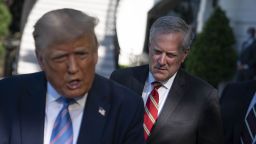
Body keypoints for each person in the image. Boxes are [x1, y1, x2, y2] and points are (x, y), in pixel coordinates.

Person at [0, 8, 145, 144]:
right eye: (61, 57)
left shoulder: (125, 107)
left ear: (95, 54)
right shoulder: (7, 95)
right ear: (41, 59)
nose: (73, 68)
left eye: (81, 54)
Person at [110, 16, 223, 144]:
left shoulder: (203, 96)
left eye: (170, 55)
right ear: (149, 46)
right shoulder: (121, 80)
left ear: (184, 55)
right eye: (157, 52)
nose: (162, 61)